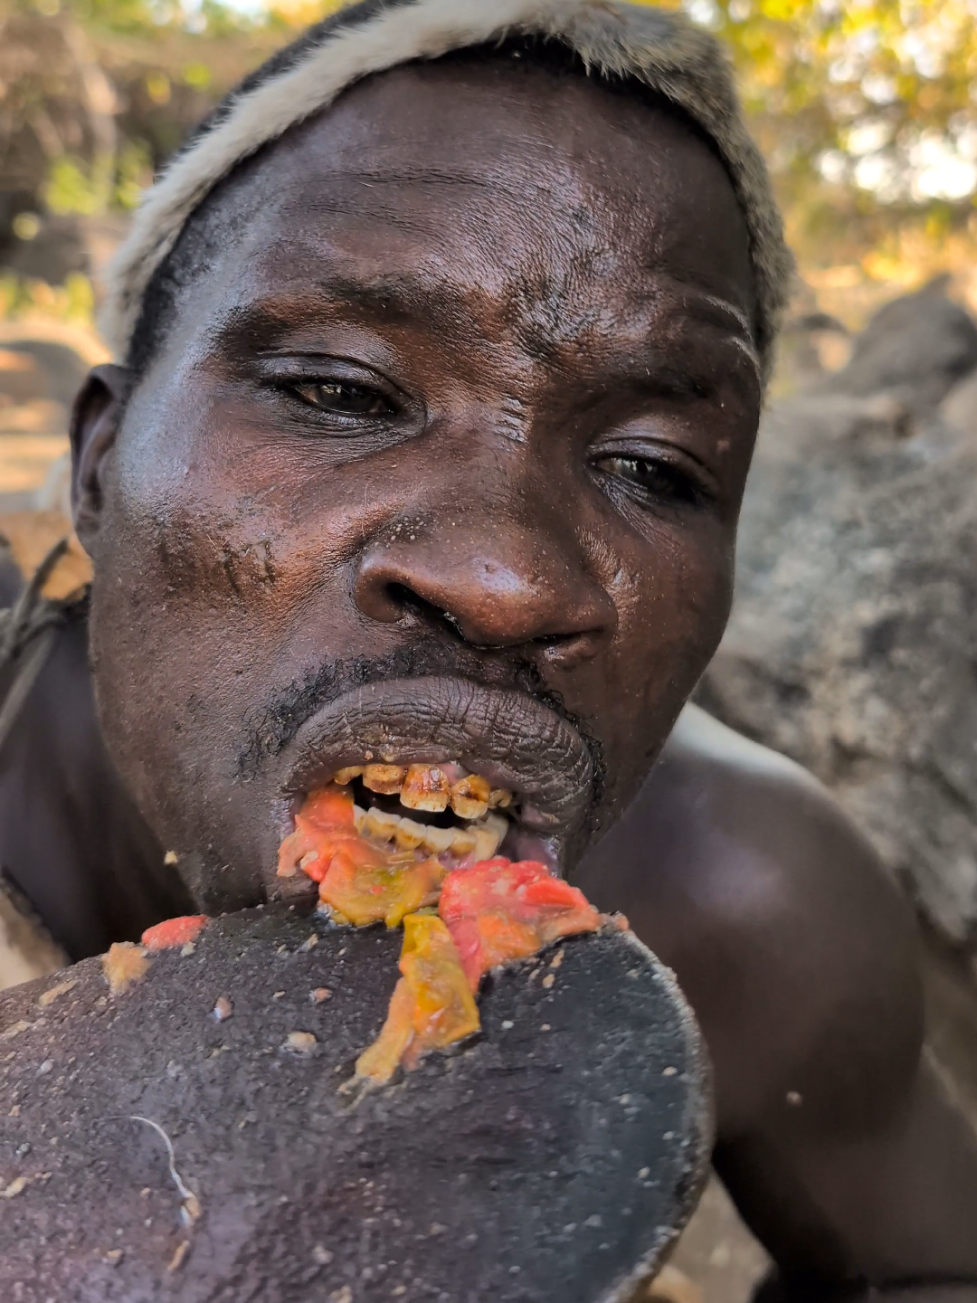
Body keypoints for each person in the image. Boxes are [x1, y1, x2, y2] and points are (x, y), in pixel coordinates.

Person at [2, 0, 977, 1296]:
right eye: (341, 391)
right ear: (101, 464)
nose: (509, 577)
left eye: (653, 468)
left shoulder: (750, 915)